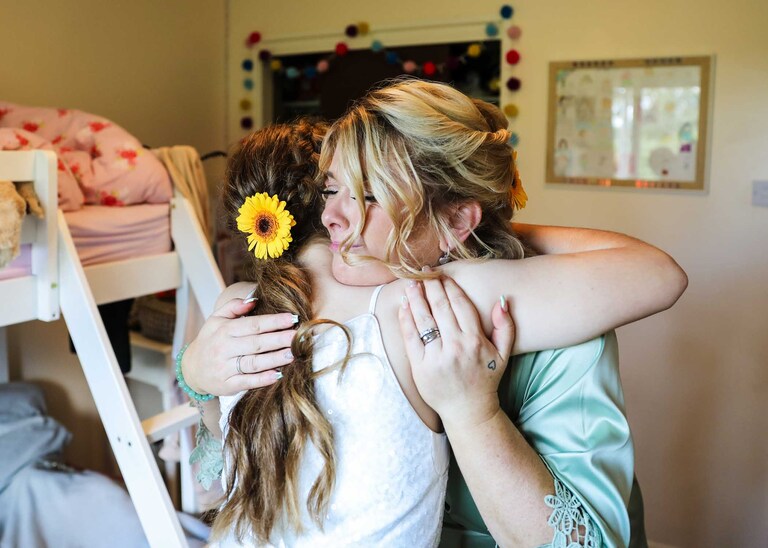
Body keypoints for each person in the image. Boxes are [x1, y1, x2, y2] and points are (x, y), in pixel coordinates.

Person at [182, 80, 687, 546]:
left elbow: (661, 275)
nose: (333, 218)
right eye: (330, 190)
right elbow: (227, 444)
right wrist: (197, 373)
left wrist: (485, 229)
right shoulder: (295, 301)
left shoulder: (456, 297)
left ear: (454, 223)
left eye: (371, 195)